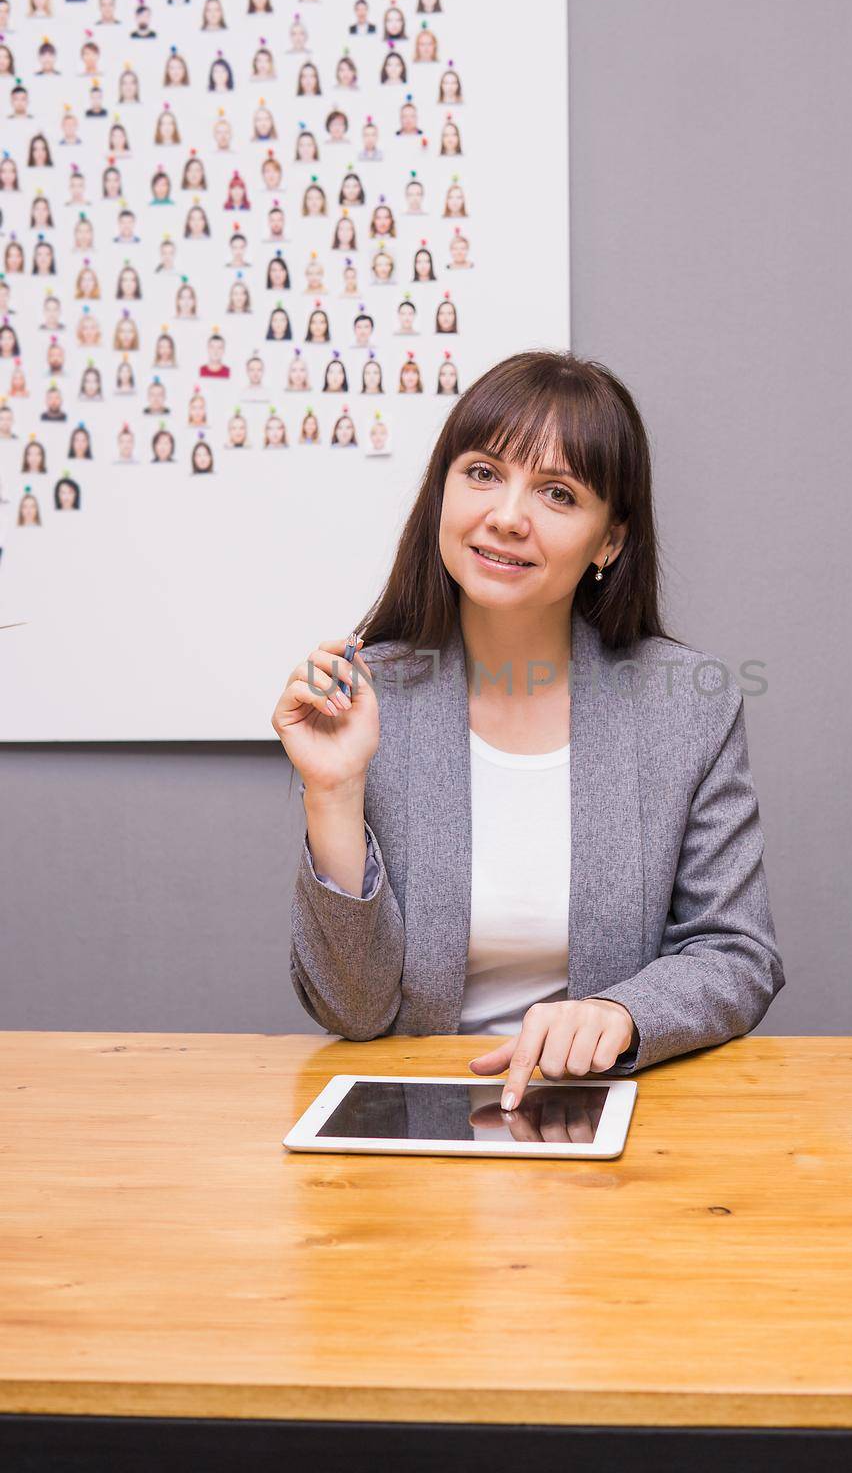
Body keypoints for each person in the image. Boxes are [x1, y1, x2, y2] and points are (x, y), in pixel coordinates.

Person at [271, 351, 784, 1109]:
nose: (507, 515)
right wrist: (334, 792)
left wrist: (622, 1014)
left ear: (608, 540)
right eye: (482, 473)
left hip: (606, 1113)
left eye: (556, 493)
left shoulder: (686, 705)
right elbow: (352, 1012)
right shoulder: (367, 697)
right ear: (441, 492)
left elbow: (737, 955)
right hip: (413, 1117)